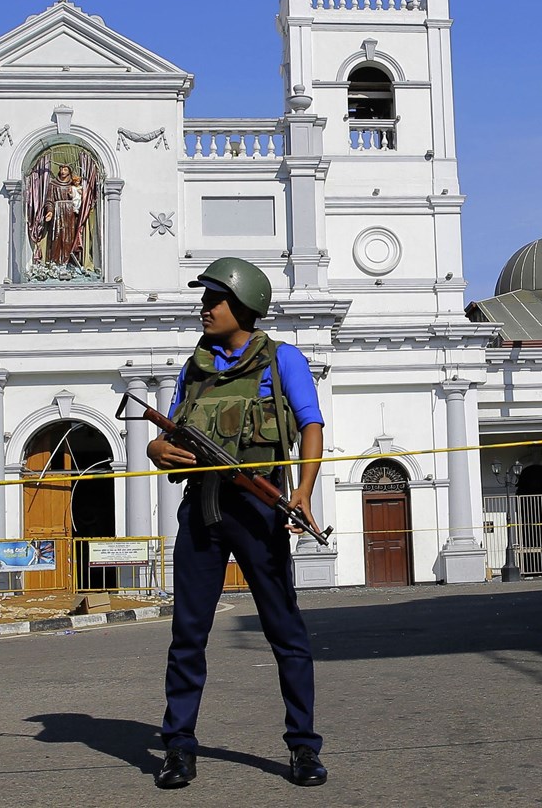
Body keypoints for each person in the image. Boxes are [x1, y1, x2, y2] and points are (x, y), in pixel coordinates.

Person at [147, 257, 328, 789]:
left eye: (214, 300)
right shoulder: (194, 368)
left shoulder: (281, 361)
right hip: (202, 510)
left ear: (244, 305)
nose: (204, 308)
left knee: (285, 632)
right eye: (205, 300)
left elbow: (311, 424)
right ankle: (178, 746)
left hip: (258, 508)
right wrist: (158, 448)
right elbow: (171, 432)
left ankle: (303, 747)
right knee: (187, 635)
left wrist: (303, 492)